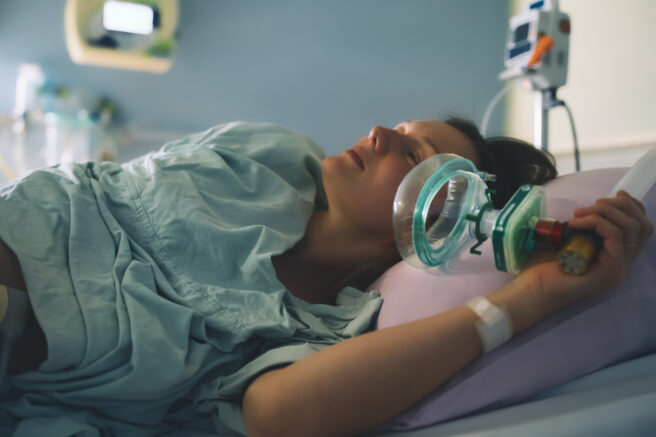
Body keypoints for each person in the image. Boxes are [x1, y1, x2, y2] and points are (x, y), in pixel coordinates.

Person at [0, 118, 651, 437]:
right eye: (397, 128)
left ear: (447, 218)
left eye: (412, 152)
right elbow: (78, 205)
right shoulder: (263, 159)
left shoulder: (331, 329)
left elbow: (277, 412)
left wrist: (529, 296)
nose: (377, 132)